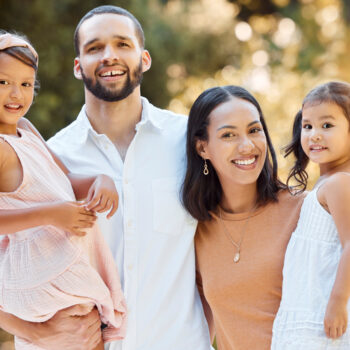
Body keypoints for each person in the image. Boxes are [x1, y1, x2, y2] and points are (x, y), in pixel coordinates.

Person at [1, 5, 212, 350]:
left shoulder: (189, 142)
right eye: (95, 48)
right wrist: (35, 332)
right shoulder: (48, 156)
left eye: (122, 44)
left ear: (144, 59)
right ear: (77, 65)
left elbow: (229, 231)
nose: (109, 56)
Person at [0, 32, 127, 350]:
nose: (16, 94)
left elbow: (65, 179)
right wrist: (52, 214)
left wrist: (101, 179)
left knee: (87, 329)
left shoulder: (26, 131)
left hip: (63, 272)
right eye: (3, 82)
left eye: (26, 84)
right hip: (41, 278)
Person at [182, 85, 305, 349]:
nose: (247, 146)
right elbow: (204, 326)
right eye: (228, 135)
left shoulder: (304, 211)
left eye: (254, 130)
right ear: (202, 147)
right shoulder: (197, 229)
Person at [272, 81, 350, 349]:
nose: (314, 134)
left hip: (324, 322)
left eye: (327, 126)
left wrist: (337, 303)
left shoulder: (341, 184)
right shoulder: (325, 184)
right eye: (308, 126)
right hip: (305, 318)